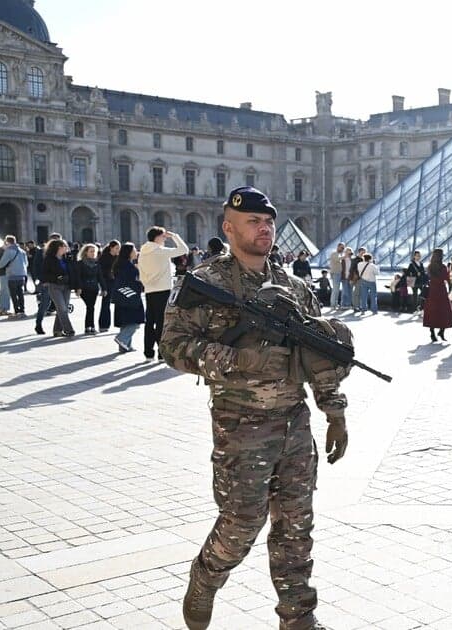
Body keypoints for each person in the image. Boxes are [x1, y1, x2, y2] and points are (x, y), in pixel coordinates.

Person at [160, 186, 351, 630]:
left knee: (295, 528)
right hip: (241, 426)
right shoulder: (205, 285)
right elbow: (171, 348)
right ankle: (206, 576)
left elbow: (317, 353)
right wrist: (237, 359)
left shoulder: (294, 287)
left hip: (294, 424)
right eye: (253, 222)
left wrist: (334, 409)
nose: (264, 229)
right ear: (229, 228)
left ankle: (299, 618)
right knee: (242, 523)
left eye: (268, 222)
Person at [137, 226, 189, 360]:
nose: (165, 239)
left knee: (149, 322)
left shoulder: (143, 251)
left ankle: (148, 352)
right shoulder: (160, 251)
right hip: (163, 290)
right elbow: (184, 250)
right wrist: (174, 236)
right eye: (163, 237)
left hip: (149, 290)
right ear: (157, 237)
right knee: (162, 322)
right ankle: (161, 353)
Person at [39, 239, 75, 337]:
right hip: (55, 286)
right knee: (62, 308)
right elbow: (44, 274)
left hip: (67, 286)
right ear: (59, 248)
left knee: (62, 309)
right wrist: (56, 278)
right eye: (65, 246)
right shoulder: (49, 259)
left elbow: (72, 271)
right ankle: (68, 329)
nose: (66, 248)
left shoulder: (67, 258)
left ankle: (57, 330)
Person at [111, 243, 143, 352]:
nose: (136, 252)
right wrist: (139, 283)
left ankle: (125, 345)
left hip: (122, 295)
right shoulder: (127, 266)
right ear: (129, 253)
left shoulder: (121, 263)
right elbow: (130, 281)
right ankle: (122, 338)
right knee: (135, 320)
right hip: (130, 295)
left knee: (126, 320)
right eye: (134, 250)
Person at [0, 236, 28, 317]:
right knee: (20, 293)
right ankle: (22, 310)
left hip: (12, 275)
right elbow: (26, 264)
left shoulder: (9, 251)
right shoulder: (22, 251)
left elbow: (2, 263)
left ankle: (17, 311)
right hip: (22, 276)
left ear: (7, 242)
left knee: (13, 294)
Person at [423, 248, 452, 342]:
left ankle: (432, 333)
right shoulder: (443, 267)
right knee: (444, 311)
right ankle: (441, 331)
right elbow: (447, 279)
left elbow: (427, 278)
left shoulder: (430, 267)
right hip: (441, 291)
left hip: (432, 291)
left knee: (432, 312)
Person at [72, 244, 102, 335]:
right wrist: (78, 288)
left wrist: (104, 288)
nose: (93, 253)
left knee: (91, 307)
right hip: (84, 288)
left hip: (94, 288)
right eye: (91, 251)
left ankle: (89, 327)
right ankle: (90, 326)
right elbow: (77, 277)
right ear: (85, 252)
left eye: (94, 251)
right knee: (90, 307)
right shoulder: (80, 263)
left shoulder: (97, 264)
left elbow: (100, 277)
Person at [98, 240, 120, 333]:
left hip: (117, 282)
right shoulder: (104, 258)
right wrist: (103, 287)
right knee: (105, 304)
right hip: (107, 282)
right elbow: (100, 273)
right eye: (117, 248)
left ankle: (120, 323)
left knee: (119, 303)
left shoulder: (118, 258)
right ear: (111, 248)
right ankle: (103, 325)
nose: (118, 250)